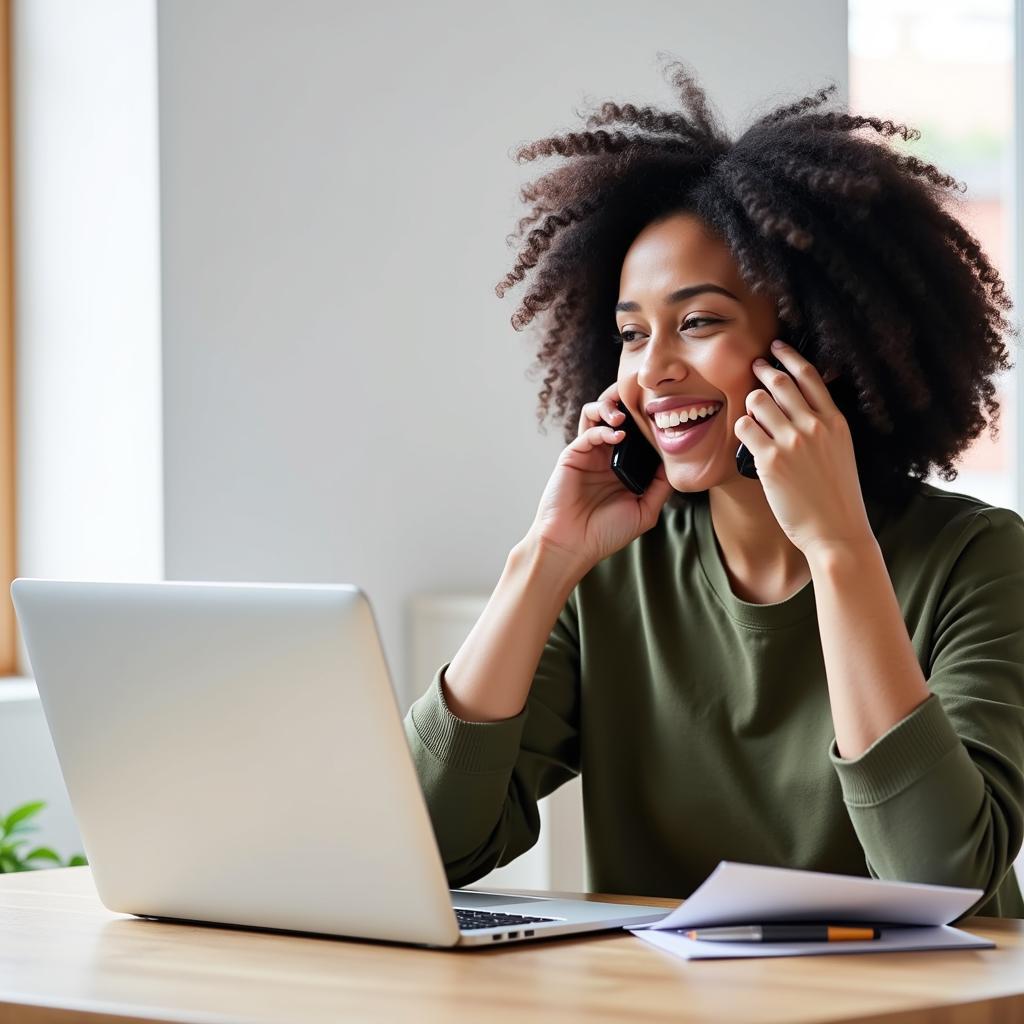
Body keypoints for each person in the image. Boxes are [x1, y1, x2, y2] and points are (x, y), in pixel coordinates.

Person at [402, 60, 1024, 918]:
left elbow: (941, 883)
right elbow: (427, 844)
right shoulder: (614, 572)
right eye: (630, 334)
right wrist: (545, 558)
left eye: (697, 322)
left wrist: (840, 549)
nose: (652, 370)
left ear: (815, 344)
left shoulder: (976, 559)